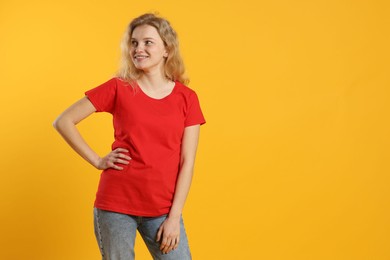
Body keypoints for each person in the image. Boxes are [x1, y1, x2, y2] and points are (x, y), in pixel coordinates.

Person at [53, 13, 205, 260]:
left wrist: (174, 217)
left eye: (148, 42)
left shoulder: (187, 98)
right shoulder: (119, 87)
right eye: (134, 43)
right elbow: (63, 121)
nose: (139, 49)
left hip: (162, 209)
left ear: (167, 49)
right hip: (115, 205)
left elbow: (187, 161)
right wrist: (97, 160)